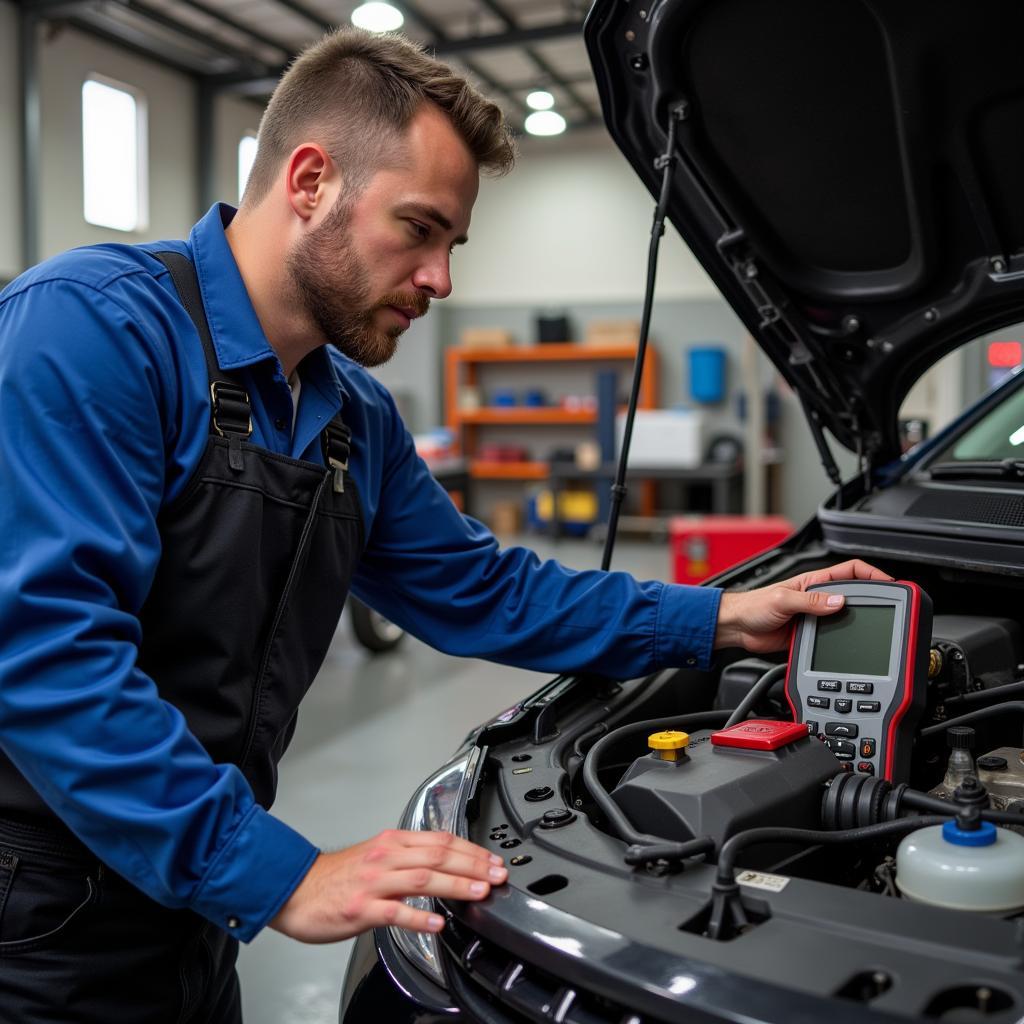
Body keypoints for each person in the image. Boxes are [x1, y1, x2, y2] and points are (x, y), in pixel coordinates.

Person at [0, 26, 891, 1023]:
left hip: (184, 898)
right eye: (417, 229)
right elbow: (46, 657)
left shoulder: (351, 414)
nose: (440, 281)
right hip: (35, 911)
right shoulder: (94, 330)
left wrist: (719, 620)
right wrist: (275, 874)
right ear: (308, 182)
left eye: (452, 244)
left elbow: (481, 588)